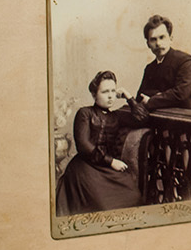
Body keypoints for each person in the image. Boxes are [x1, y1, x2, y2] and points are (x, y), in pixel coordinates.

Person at [57, 71, 142, 216]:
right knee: (102, 206)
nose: (110, 96)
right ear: (94, 94)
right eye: (105, 92)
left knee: (134, 196)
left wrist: (128, 97)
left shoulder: (117, 116)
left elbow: (143, 118)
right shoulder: (85, 113)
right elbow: (83, 146)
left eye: (113, 91)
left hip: (107, 168)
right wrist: (111, 161)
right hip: (85, 166)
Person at [136, 15, 191, 113]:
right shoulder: (150, 68)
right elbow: (140, 96)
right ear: (148, 44)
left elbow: (181, 93)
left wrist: (152, 100)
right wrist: (163, 95)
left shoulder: (185, 61)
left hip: (186, 117)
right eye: (153, 39)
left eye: (162, 37)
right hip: (160, 116)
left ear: (170, 38)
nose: (158, 43)